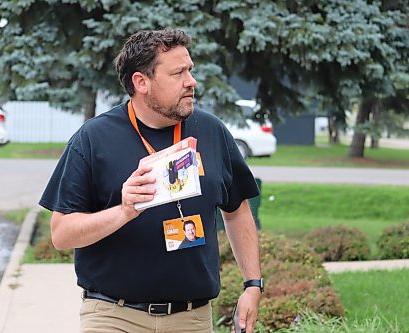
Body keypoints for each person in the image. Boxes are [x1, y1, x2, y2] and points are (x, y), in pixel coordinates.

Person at [39, 28, 263, 333]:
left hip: (192, 318)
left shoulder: (211, 131)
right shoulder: (93, 140)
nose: (191, 81)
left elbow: (236, 209)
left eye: (190, 70)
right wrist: (124, 211)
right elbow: (61, 234)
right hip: (113, 316)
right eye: (178, 73)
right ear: (141, 82)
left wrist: (252, 284)